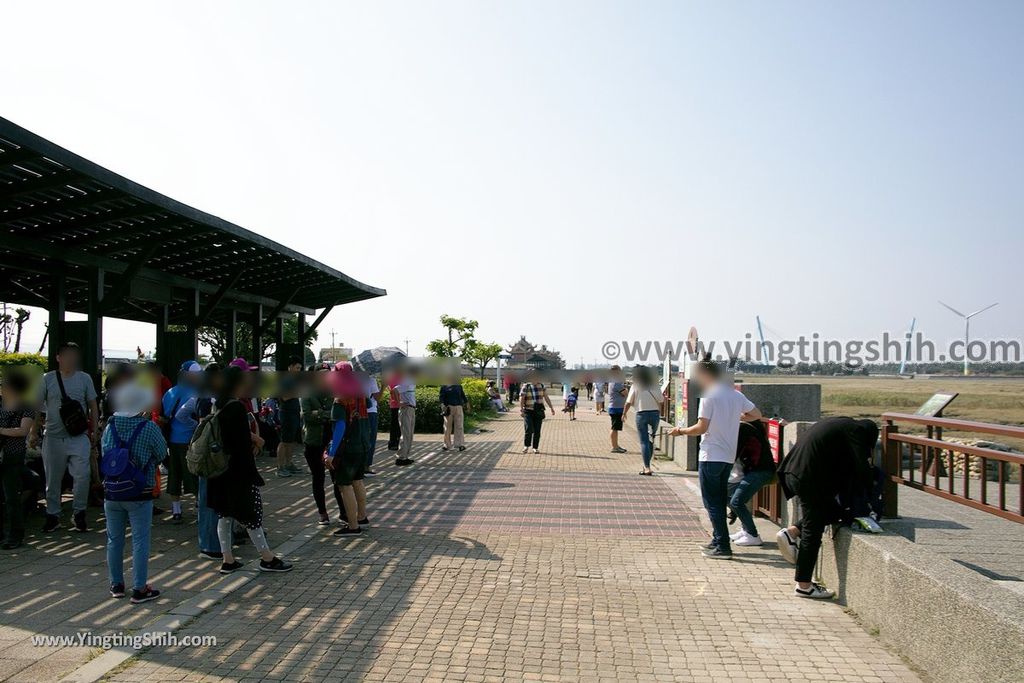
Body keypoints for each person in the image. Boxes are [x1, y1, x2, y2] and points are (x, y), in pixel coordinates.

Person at [775, 417, 879, 599]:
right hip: (808, 478)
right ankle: (804, 586)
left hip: (793, 471)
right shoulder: (857, 431)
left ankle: (792, 532)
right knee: (812, 531)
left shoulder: (839, 424)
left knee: (834, 513)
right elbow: (861, 465)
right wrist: (871, 492)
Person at [667, 357, 761, 560]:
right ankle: (718, 540)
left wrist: (680, 431)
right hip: (727, 457)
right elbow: (757, 414)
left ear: (705, 374)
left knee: (713, 503)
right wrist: (735, 418)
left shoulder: (709, 396)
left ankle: (723, 546)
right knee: (718, 499)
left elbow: (701, 428)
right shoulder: (735, 395)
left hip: (711, 455)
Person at [207, 366, 292, 574]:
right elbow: (240, 444)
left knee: (225, 516)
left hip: (219, 471)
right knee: (251, 515)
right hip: (238, 472)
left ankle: (228, 559)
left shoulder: (217, 405)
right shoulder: (235, 408)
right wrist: (256, 445)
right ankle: (267, 558)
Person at [102, 379, 166, 603]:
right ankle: (139, 588)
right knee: (140, 540)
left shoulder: (110, 427)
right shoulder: (148, 427)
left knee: (114, 539)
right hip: (140, 490)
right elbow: (161, 453)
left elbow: (104, 455)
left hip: (112, 491)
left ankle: (116, 584)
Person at [30, 342, 100, 533]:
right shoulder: (47, 379)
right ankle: (53, 515)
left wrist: (94, 430)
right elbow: (37, 407)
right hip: (53, 436)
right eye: (67, 355)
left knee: (82, 476)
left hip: (78, 436)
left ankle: (79, 513)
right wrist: (34, 431)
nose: (71, 359)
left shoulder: (84, 379)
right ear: (58, 358)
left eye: (74, 355)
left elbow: (93, 405)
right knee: (52, 479)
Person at [326, 362, 370, 536]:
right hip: (362, 446)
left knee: (345, 486)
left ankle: (353, 526)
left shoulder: (339, 400)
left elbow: (340, 429)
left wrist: (331, 453)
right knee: (358, 481)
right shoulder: (360, 396)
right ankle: (362, 517)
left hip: (348, 449)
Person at [301, 365, 346, 526]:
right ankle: (322, 513)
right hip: (314, 441)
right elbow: (307, 417)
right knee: (318, 478)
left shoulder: (335, 393)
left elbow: (340, 415)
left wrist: (320, 413)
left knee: (337, 478)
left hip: (332, 442)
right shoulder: (307, 393)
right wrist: (327, 415)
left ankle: (343, 512)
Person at [161, 361, 202, 522]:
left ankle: (176, 510)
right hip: (191, 440)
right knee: (194, 474)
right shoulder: (197, 392)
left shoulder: (171, 392)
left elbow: (164, 413)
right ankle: (199, 506)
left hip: (172, 439)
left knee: (174, 474)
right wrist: (196, 425)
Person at [726, 421, 777, 547]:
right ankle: (746, 530)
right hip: (752, 471)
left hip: (761, 471)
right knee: (727, 496)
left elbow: (733, 453)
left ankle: (753, 535)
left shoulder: (742, 428)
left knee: (736, 502)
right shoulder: (744, 426)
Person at [0, 370, 35, 549]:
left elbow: (23, 431)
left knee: (11, 497)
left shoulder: (26, 406)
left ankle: (15, 534)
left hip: (12, 456)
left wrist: (1, 431)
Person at [621, 366, 664, 475]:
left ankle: (647, 467)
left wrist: (624, 413)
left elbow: (628, 402)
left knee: (644, 441)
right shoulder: (655, 385)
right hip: (654, 415)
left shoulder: (636, 385)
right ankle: (647, 465)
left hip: (641, 414)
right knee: (650, 440)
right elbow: (661, 400)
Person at [275, 356, 304, 478]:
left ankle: (288, 463)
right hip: (286, 412)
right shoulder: (285, 379)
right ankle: (280, 466)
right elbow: (284, 397)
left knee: (291, 440)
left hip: (294, 412)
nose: (298, 370)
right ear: (290, 366)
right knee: (284, 441)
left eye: (300, 368)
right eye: (297, 367)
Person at [519, 372, 554, 454]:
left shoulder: (541, 386)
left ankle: (535, 447)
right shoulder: (526, 386)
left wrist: (551, 407)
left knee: (537, 430)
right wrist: (521, 410)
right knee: (529, 428)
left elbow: (546, 397)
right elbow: (522, 398)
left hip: (538, 411)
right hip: (528, 410)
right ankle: (526, 446)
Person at [394, 367, 417, 466]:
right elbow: (395, 390)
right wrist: (399, 403)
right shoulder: (407, 381)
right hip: (406, 409)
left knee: (409, 434)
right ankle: (401, 457)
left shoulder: (411, 381)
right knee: (406, 433)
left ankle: (405, 456)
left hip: (411, 409)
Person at [360, 371, 381, 475]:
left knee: (361, 439)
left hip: (359, 412)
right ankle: (366, 467)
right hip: (371, 411)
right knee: (371, 439)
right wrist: (384, 386)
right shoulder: (371, 380)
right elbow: (378, 397)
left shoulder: (356, 379)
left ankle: (359, 466)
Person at [440, 377, 468, 452]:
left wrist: (467, 403)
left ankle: (460, 444)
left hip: (458, 407)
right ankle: (446, 444)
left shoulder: (458, 386)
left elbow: (463, 395)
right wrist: (442, 404)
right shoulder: (444, 386)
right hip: (448, 408)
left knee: (459, 426)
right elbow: (441, 397)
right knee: (447, 427)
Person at [607, 366, 628, 454]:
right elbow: (625, 393)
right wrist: (626, 388)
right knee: (614, 428)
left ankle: (616, 445)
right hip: (616, 408)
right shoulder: (617, 382)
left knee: (615, 428)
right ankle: (614, 447)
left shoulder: (612, 381)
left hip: (614, 407)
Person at [385, 369, 402, 453]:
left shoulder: (391, 377)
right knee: (396, 424)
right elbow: (392, 391)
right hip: (396, 404)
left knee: (396, 425)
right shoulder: (396, 377)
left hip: (396, 404)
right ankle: (394, 443)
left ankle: (395, 443)